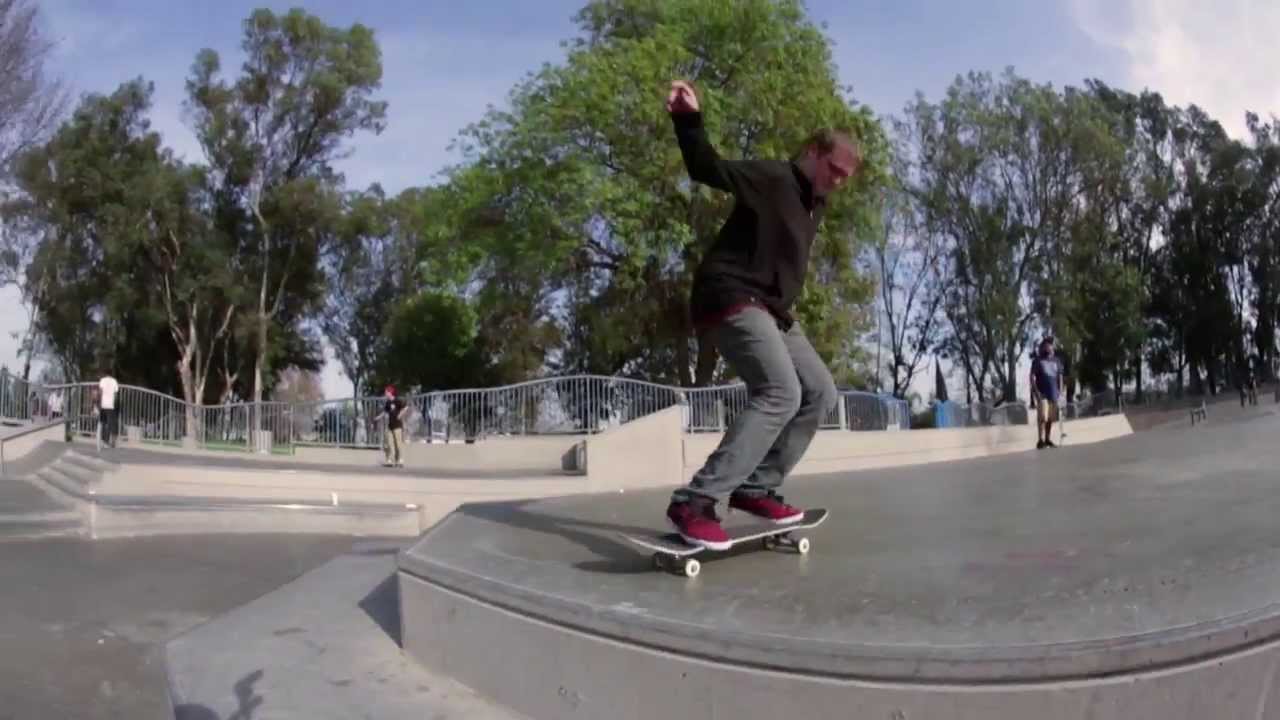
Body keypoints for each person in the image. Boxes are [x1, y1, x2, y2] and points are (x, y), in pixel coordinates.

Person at [662, 79, 864, 550]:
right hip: (729, 294)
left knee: (819, 391)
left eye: (844, 179)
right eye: (833, 171)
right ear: (813, 152)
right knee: (780, 390)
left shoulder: (817, 205)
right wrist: (688, 119)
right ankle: (695, 501)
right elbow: (706, 167)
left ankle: (755, 486)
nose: (835, 183)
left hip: (771, 309)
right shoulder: (774, 177)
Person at [1029, 336, 1063, 449]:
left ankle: (1048, 439)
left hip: (1054, 393)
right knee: (1042, 417)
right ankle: (1040, 440)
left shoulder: (1056, 361)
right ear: (1043, 347)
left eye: (1050, 344)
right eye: (1047, 344)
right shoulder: (1038, 361)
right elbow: (1032, 377)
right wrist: (1036, 392)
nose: (1049, 346)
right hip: (1042, 393)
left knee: (1051, 418)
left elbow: (1060, 377)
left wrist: (1061, 392)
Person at [381, 385, 408, 467]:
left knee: (398, 444)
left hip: (398, 426)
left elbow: (406, 407)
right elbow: (385, 412)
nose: (385, 393)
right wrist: (378, 417)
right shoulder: (388, 402)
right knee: (387, 443)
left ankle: (399, 460)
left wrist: (400, 415)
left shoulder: (397, 400)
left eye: (386, 392)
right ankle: (389, 460)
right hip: (390, 425)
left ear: (390, 393)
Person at [97, 370, 120, 449]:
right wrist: (115, 404)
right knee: (110, 423)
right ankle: (109, 441)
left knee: (103, 422)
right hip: (111, 405)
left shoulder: (102, 380)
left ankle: (103, 440)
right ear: (112, 374)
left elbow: (100, 392)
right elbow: (116, 394)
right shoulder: (114, 381)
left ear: (105, 374)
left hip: (103, 404)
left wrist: (99, 403)